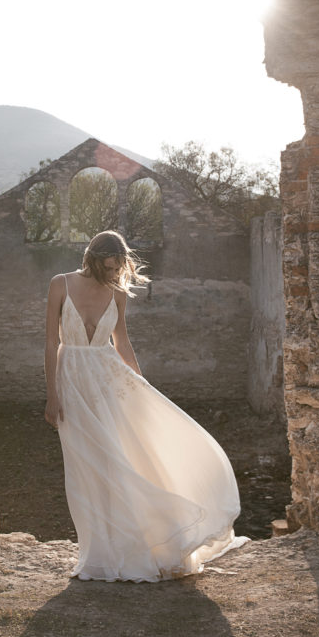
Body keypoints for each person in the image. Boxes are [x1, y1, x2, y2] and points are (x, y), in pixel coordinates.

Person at [44, 230, 247, 582]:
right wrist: (51, 395)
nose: (113, 273)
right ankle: (97, 554)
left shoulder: (117, 293)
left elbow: (122, 342)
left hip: (111, 381)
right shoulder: (60, 284)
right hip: (73, 382)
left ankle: (137, 545)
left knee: (120, 461)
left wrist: (143, 388)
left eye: (116, 268)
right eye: (107, 266)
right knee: (84, 468)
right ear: (92, 258)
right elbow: (50, 343)